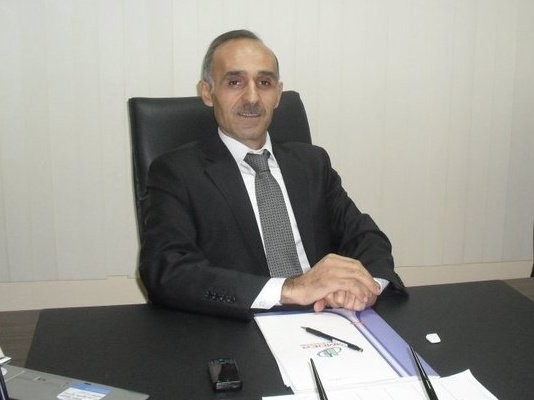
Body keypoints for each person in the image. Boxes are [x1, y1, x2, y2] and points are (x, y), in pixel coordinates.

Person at [139, 29, 404, 319]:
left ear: (278, 94)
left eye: (264, 83)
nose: (252, 97)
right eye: (235, 82)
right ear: (207, 92)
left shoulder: (312, 163)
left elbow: (366, 238)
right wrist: (289, 290)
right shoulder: (177, 172)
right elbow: (166, 270)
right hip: (239, 327)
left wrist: (364, 286)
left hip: (328, 317)